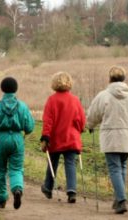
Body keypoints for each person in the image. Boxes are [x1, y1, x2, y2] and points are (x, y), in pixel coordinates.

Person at [87, 66, 128, 214]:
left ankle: (121, 200)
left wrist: (90, 125)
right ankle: (118, 198)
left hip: (110, 138)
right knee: (122, 166)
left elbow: (93, 113)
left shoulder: (104, 95)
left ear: (110, 79)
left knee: (114, 168)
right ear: (124, 79)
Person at [0, 77, 35, 210]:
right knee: (16, 168)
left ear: (2, 89)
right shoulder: (22, 106)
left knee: (0, 170)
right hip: (17, 138)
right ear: (15, 89)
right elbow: (29, 127)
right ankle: (17, 189)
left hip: (1, 138)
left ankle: (1, 199)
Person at [40, 72, 86, 204]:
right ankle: (71, 191)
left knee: (52, 162)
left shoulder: (51, 100)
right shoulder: (75, 100)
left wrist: (45, 136)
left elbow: (48, 120)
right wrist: (80, 129)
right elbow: (81, 120)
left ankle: (48, 188)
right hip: (71, 138)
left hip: (55, 138)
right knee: (70, 163)